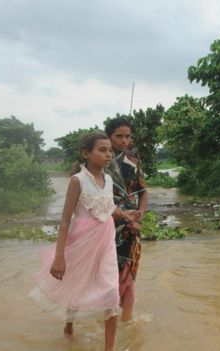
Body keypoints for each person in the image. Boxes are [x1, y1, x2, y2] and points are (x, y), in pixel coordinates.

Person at [31, 132, 137, 351]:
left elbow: (106, 206)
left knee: (111, 293)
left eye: (109, 150)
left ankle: (109, 348)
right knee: (76, 284)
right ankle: (69, 325)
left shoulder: (108, 179)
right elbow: (64, 219)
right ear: (86, 153)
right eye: (102, 150)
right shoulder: (77, 180)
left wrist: (125, 214)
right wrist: (59, 256)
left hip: (106, 243)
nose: (108, 154)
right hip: (81, 242)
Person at [104, 118, 148, 322]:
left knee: (129, 273)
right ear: (109, 137)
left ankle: (127, 321)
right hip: (104, 225)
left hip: (130, 226)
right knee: (107, 274)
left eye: (128, 136)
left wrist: (140, 214)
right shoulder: (100, 160)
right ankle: (108, 316)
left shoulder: (133, 163)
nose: (124, 140)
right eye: (119, 136)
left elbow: (143, 191)